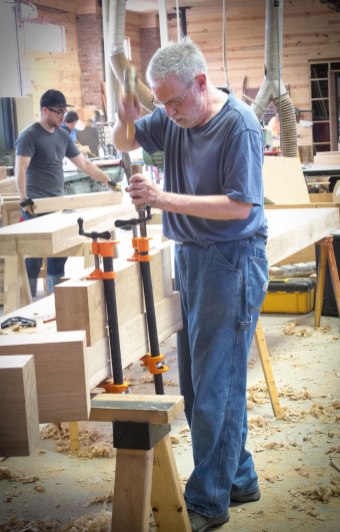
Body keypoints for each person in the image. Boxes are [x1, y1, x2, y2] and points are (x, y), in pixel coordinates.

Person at [113, 38, 268, 531]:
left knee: (215, 386)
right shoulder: (173, 113)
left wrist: (163, 198)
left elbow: (241, 206)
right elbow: (124, 141)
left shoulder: (238, 125)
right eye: (161, 104)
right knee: (205, 382)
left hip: (232, 259)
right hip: (193, 257)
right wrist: (124, 117)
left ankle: (206, 501)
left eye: (176, 102)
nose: (170, 113)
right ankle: (238, 478)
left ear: (201, 82)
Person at [15, 88, 118, 297]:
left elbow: (84, 164)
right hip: (36, 205)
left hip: (58, 204)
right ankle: (29, 299)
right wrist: (24, 199)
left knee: (59, 254)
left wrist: (109, 181)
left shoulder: (63, 135)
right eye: (58, 112)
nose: (63, 116)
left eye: (64, 111)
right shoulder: (29, 136)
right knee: (34, 256)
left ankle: (54, 298)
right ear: (44, 110)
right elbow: (21, 168)